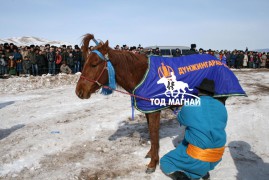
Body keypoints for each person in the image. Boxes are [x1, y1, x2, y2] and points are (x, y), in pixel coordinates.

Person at [160, 78, 228, 180]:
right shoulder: (221, 106)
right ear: (211, 93)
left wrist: (179, 109)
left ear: (199, 91)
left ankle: (186, 175)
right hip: (217, 156)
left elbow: (181, 119)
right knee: (188, 143)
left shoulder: (191, 104)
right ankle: (203, 171)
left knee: (166, 161)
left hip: (199, 156)